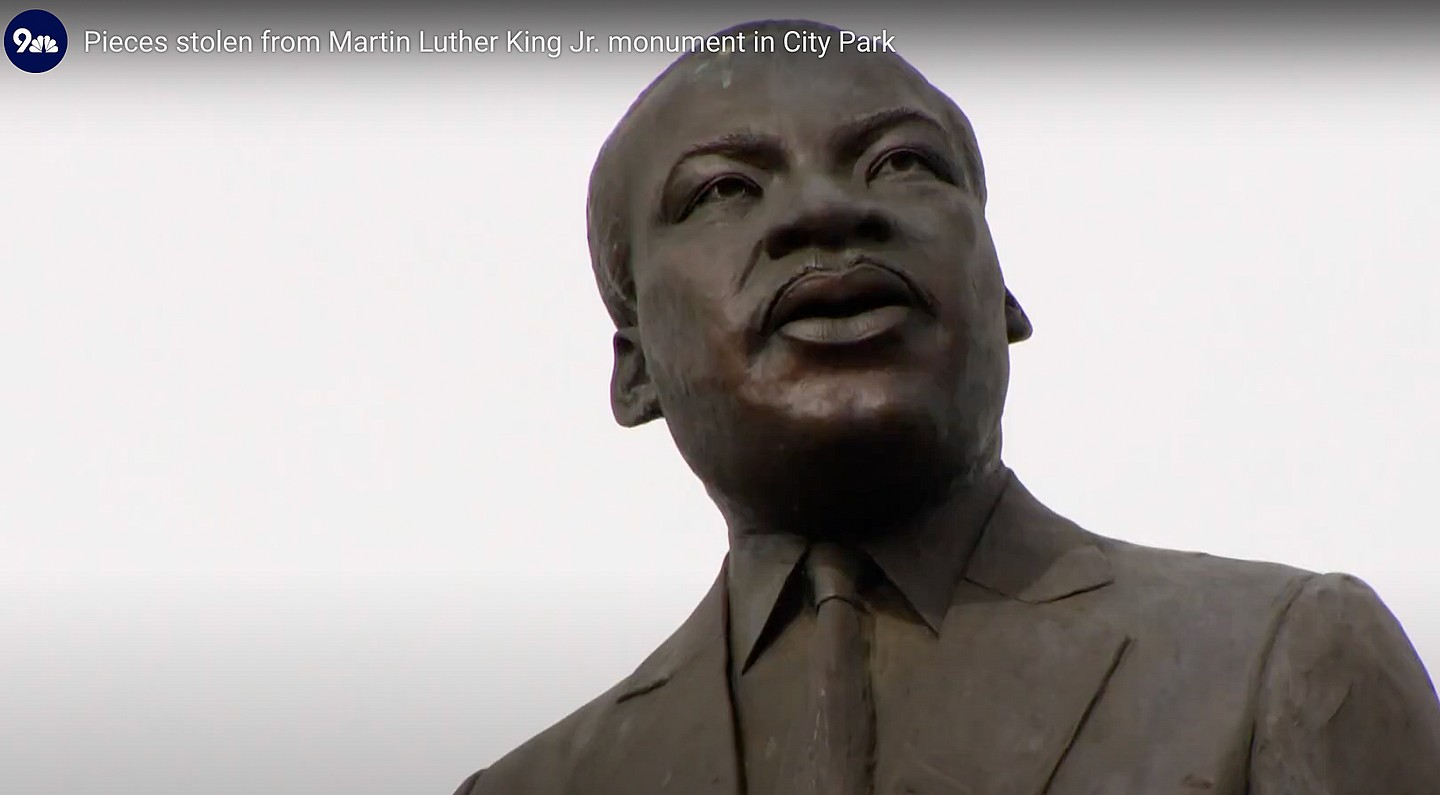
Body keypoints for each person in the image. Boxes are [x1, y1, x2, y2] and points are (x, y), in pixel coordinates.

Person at [452, 19, 1440, 795]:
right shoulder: (535, 785)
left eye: (901, 164)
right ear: (634, 369)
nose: (825, 213)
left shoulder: (1280, 657)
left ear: (1003, 296)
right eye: (722, 190)